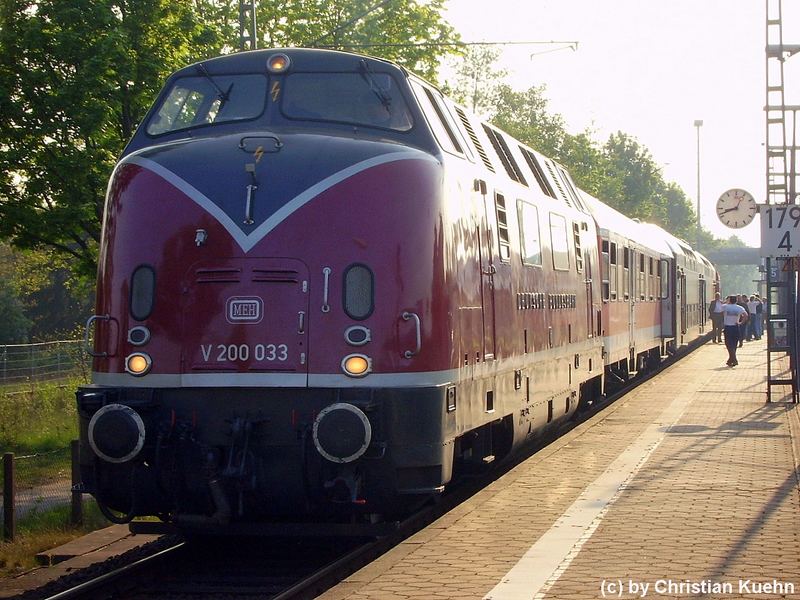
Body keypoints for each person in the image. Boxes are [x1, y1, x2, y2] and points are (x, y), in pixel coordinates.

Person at [723, 295, 748, 366]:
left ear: (729, 300)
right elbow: (746, 315)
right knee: (734, 344)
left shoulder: (725, 307)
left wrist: (726, 302)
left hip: (728, 327)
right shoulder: (739, 308)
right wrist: (741, 323)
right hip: (736, 327)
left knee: (728, 344)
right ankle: (731, 360)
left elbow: (718, 309)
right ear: (736, 301)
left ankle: (734, 359)